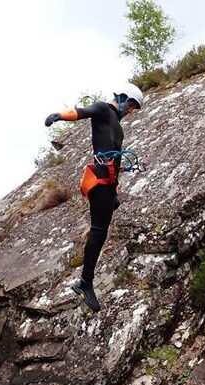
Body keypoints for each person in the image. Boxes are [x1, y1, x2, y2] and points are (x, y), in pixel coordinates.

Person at [44, 84, 144, 312]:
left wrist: (115, 192)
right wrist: (59, 116)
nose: (130, 110)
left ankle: (85, 282)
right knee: (98, 230)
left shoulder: (118, 126)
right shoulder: (102, 109)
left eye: (133, 108)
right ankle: (85, 283)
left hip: (108, 183)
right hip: (98, 179)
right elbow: (81, 112)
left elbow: (116, 161)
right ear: (121, 97)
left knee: (102, 230)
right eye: (130, 105)